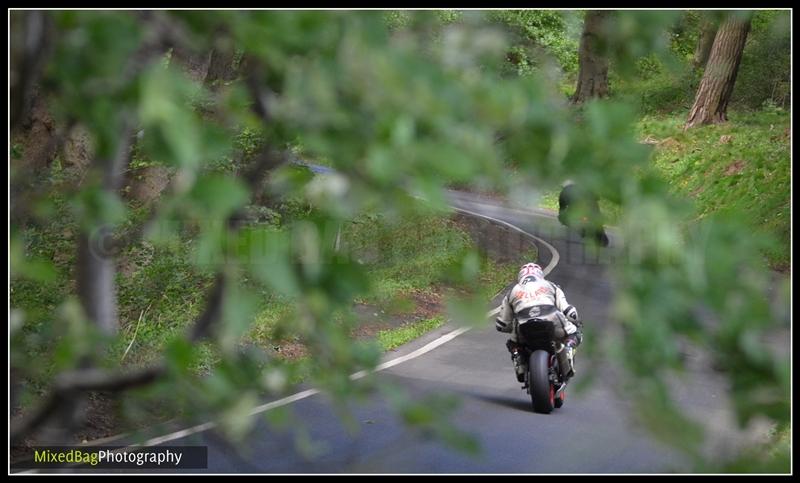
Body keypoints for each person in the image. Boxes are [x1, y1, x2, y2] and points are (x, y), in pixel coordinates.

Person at [495, 263, 582, 383]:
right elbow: (569, 311)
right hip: (552, 319)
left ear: (520, 276)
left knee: (513, 344)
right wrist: (576, 322)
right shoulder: (551, 285)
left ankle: (519, 361)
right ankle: (568, 349)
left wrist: (510, 327)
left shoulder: (512, 292)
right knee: (575, 334)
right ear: (540, 275)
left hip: (523, 324)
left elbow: (502, 324)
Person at [558, 180, 609, 247]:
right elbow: (596, 197)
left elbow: (562, 208)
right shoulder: (583, 187)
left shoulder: (563, 193)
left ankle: (583, 231)